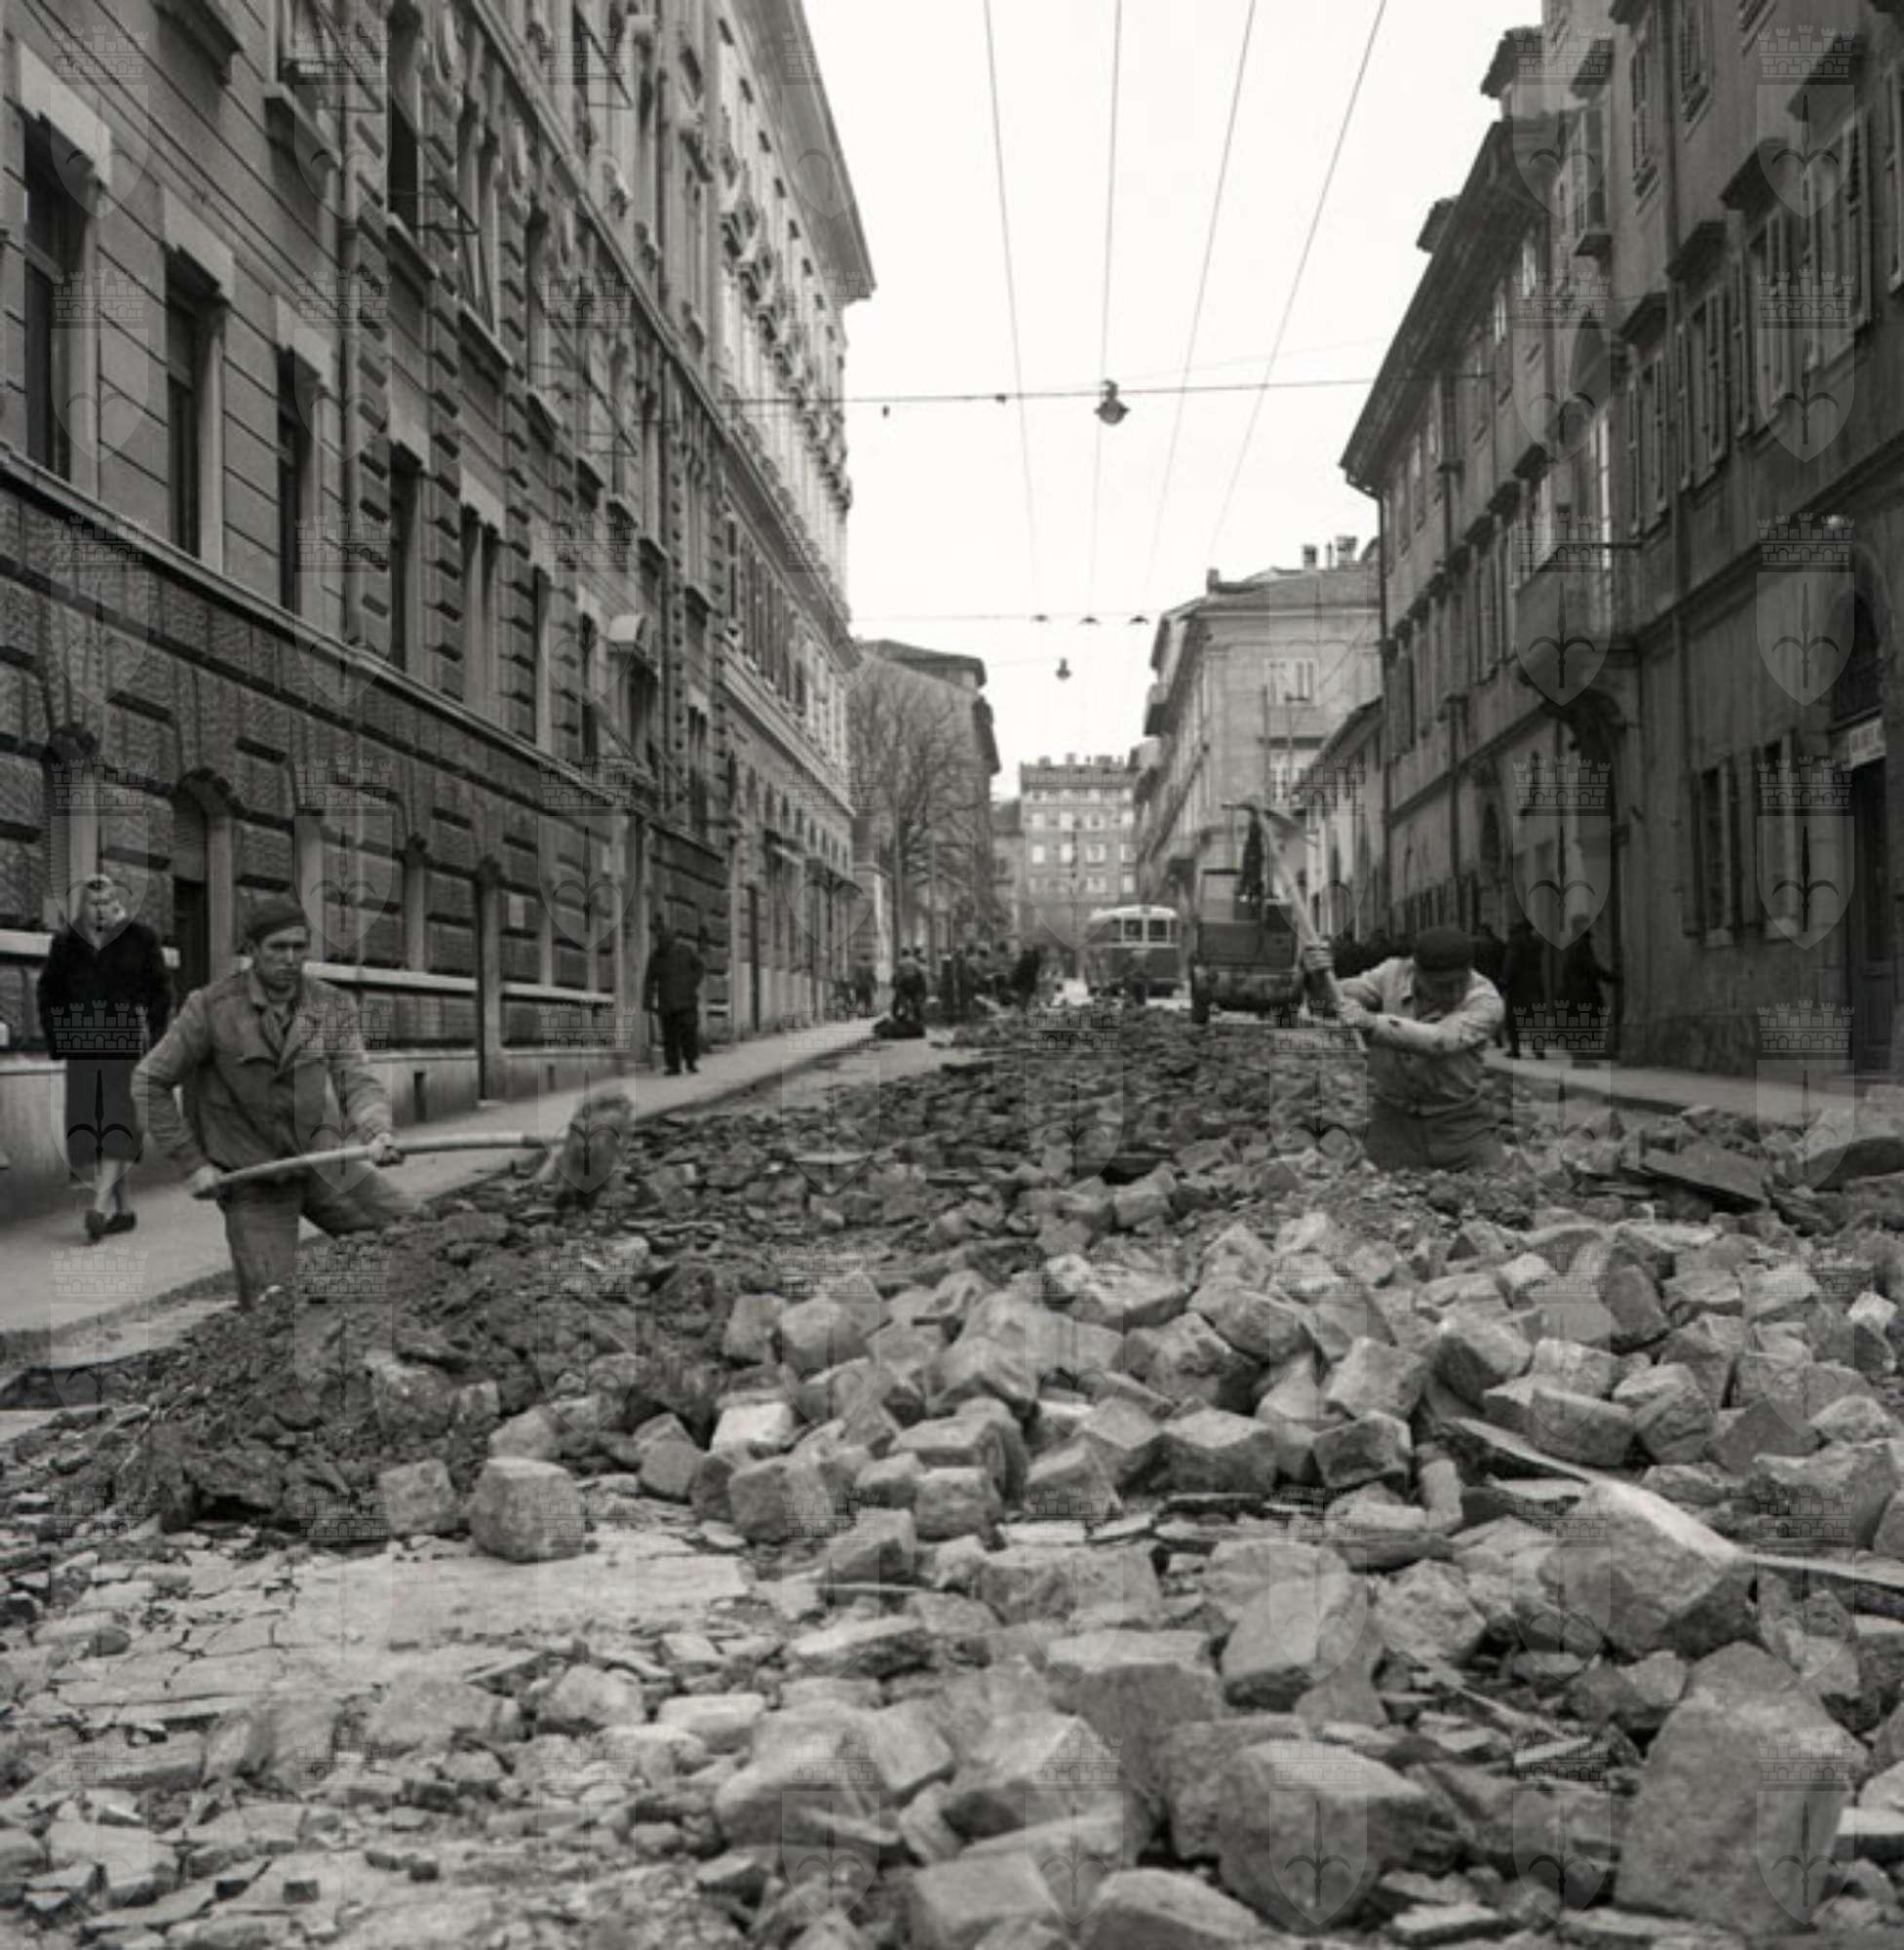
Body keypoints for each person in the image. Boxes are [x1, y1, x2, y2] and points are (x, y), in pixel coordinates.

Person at [131, 899, 411, 1309]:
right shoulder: (210, 1009)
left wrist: (377, 1130)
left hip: (323, 1163)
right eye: (278, 948)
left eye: (299, 947)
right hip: (254, 1179)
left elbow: (355, 1078)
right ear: (251, 950)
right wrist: (192, 1163)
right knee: (272, 1304)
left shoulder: (331, 1004)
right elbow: (149, 1081)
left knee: (417, 1233)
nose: (290, 959)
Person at [1304, 923, 1507, 1173]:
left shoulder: (1486, 1000)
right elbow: (1337, 998)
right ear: (1416, 973)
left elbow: (1440, 1040)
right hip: (1392, 1121)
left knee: (1501, 1188)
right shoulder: (1392, 974)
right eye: (1442, 986)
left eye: (1460, 982)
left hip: (1461, 1124)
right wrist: (1316, 978)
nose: (1454, 992)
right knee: (1378, 1191)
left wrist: (1371, 1023)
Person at [38, 876, 171, 1241]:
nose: (100, 910)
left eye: (106, 902)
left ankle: (98, 1209)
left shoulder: (140, 939)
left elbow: (161, 990)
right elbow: (48, 992)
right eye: (92, 903)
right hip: (83, 1047)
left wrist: (156, 1037)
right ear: (82, 906)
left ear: (117, 903)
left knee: (117, 1122)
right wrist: (57, 1038)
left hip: (125, 1046)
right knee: (93, 1128)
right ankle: (124, 1211)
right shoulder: (66, 944)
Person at [644, 914, 705, 1075]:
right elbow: (649, 979)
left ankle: (690, 1062)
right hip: (668, 1003)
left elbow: (699, 968)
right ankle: (675, 1065)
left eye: (664, 939)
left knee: (688, 1034)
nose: (661, 943)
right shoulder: (656, 957)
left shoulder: (685, 951)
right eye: (660, 940)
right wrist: (648, 1001)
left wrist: (691, 983)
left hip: (686, 1002)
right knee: (670, 1036)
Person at [1558, 915, 1620, 1057]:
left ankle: (1579, 1052)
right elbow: (1591, 967)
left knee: (1580, 1022)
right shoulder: (1581, 944)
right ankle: (1581, 1054)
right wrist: (1611, 978)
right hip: (1583, 991)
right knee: (1587, 1021)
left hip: (1574, 991)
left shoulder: (1572, 943)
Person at [1498, 916, 1546, 1060]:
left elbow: (1510, 962)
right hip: (1535, 983)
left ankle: (1515, 1049)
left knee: (1514, 1018)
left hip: (1518, 985)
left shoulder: (1515, 941)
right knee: (1536, 1017)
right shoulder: (1536, 942)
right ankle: (1539, 1049)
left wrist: (1504, 980)